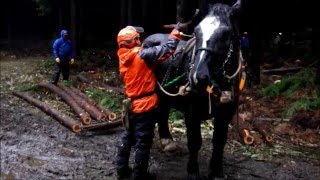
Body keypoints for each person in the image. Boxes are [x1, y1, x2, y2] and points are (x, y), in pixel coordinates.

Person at [115, 25, 181, 179]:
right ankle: (140, 175)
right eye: (137, 39)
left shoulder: (122, 56)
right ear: (132, 41)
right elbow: (168, 48)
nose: (140, 41)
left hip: (131, 105)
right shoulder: (143, 55)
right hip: (145, 106)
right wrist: (176, 32)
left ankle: (121, 169)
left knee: (128, 137)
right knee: (143, 143)